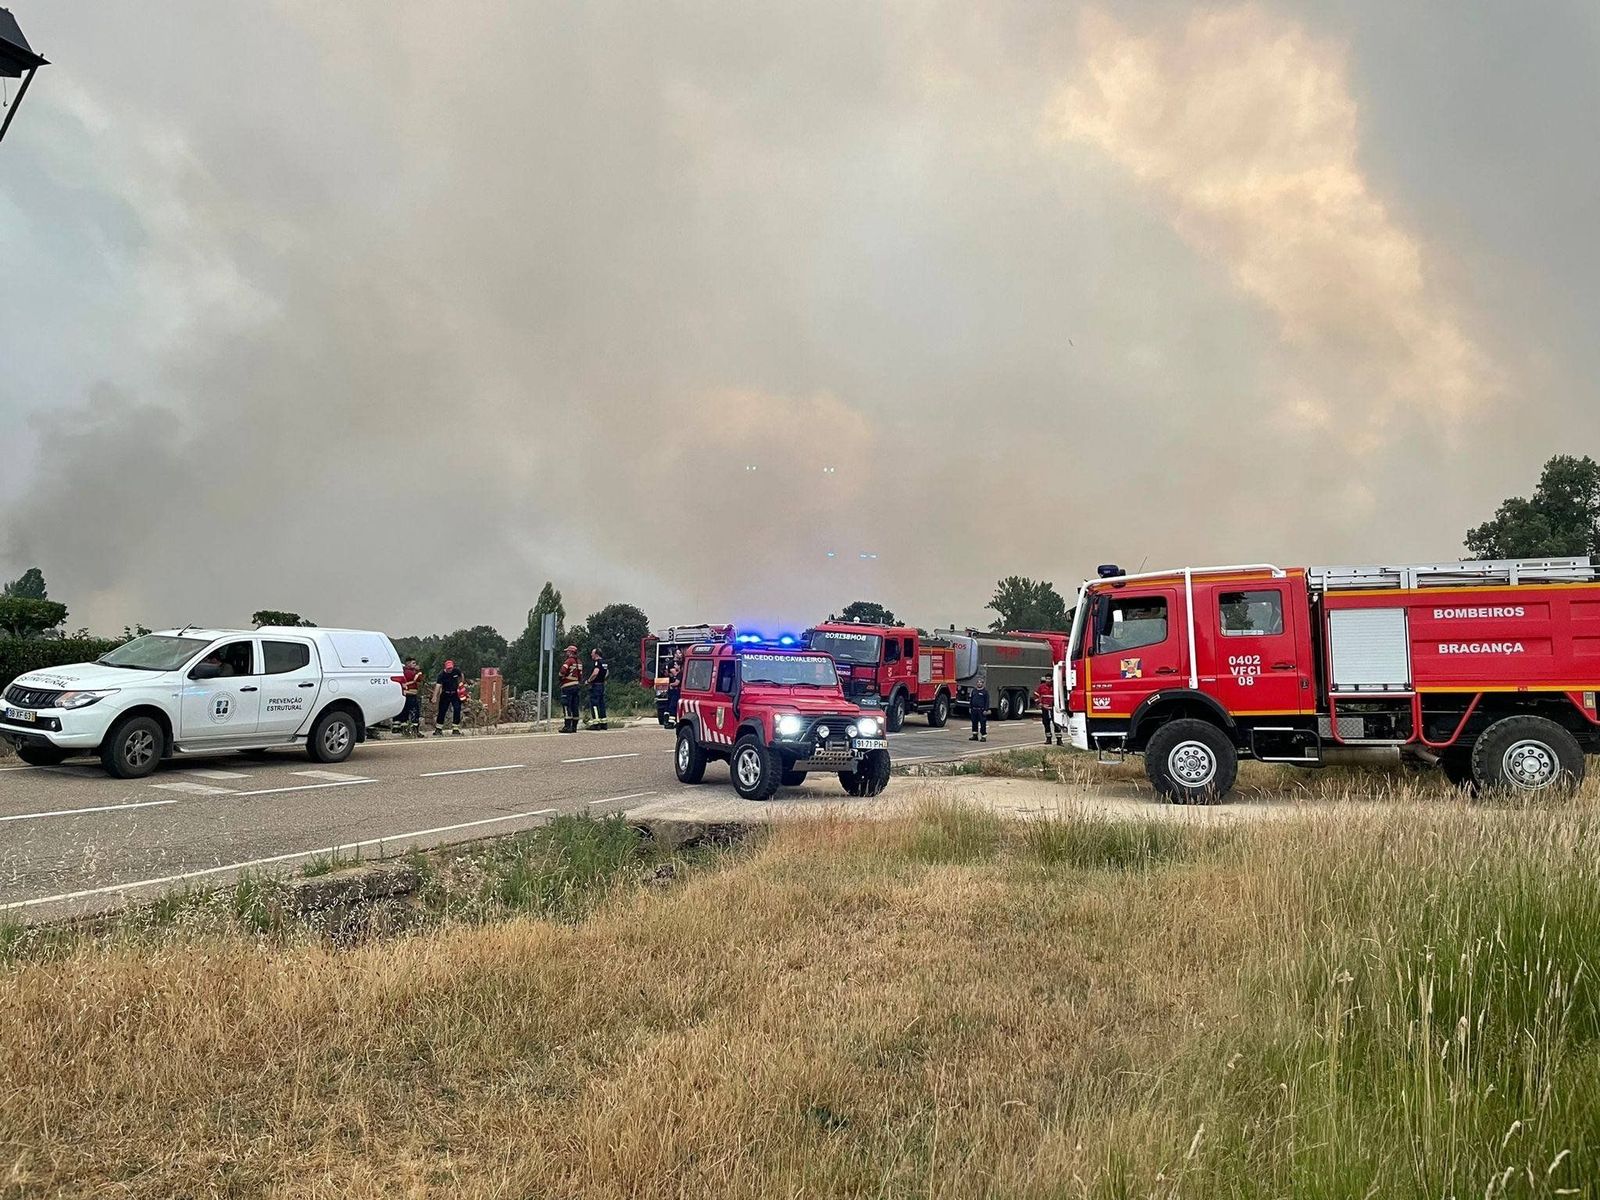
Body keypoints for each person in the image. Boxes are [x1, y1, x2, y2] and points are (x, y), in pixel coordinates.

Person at [433, 658, 464, 736]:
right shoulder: (441, 675)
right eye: (448, 668)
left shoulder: (456, 671)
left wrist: (461, 684)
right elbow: (438, 686)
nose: (450, 670)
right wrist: (434, 696)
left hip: (455, 694)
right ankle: (438, 729)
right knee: (442, 710)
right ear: (445, 668)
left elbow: (461, 675)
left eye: (451, 668)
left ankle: (455, 729)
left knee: (457, 709)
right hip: (445, 694)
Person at [558, 645, 582, 733]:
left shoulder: (569, 661)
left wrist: (561, 678)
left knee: (566, 705)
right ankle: (574, 727)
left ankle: (567, 726)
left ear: (571, 652)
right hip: (576, 686)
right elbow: (580, 675)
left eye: (567, 651)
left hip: (567, 686)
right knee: (575, 706)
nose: (566, 653)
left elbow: (562, 671)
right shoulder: (579, 662)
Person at [398, 657, 423, 736]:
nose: (415, 665)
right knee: (414, 712)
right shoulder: (410, 672)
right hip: (411, 695)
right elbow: (418, 679)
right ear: (408, 664)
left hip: (405, 695)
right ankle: (415, 731)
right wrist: (419, 672)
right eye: (413, 663)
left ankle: (404, 730)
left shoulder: (403, 671)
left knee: (404, 712)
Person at [586, 647, 610, 729]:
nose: (591, 655)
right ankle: (604, 723)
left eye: (592, 653)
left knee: (594, 704)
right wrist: (603, 679)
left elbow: (595, 673)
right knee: (601, 704)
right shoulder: (604, 662)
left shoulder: (597, 662)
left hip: (595, 685)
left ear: (596, 654)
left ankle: (596, 724)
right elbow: (607, 672)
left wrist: (589, 680)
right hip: (601, 685)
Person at [1037, 673, 1061, 746]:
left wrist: (1056, 706)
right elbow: (1036, 695)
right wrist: (1040, 704)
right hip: (1045, 708)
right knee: (1046, 723)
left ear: (1052, 679)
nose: (1048, 680)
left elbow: (1060, 696)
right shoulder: (1041, 687)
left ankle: (1059, 740)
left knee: (1056, 723)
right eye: (1047, 679)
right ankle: (1048, 739)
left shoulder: (1055, 687)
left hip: (1054, 708)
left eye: (1049, 679)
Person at [969, 675, 989, 742]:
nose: (979, 683)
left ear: (982, 684)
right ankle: (975, 735)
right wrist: (970, 707)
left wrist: (986, 710)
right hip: (974, 710)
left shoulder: (985, 692)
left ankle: (983, 736)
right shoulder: (974, 691)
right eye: (978, 682)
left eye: (980, 682)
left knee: (982, 723)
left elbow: (987, 701)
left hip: (981, 710)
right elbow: (971, 700)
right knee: (974, 723)